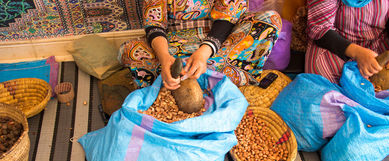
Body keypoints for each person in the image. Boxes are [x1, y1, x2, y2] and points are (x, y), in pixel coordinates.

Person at [118, 0, 282, 90]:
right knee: (130, 51)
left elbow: (227, 18)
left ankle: (185, 78)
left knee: (269, 21)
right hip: (175, 45)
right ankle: (211, 77)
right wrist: (165, 58)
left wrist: (204, 53)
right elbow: (154, 25)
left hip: (221, 43)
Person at [305, 0, 389, 83]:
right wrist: (358, 53)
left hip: (379, 39)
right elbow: (320, 29)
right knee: (322, 81)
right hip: (336, 43)